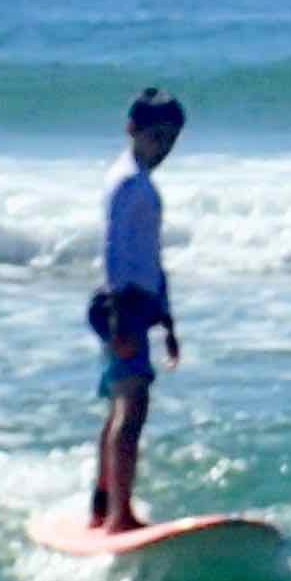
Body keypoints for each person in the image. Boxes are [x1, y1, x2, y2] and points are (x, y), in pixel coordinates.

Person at [87, 88, 187, 532]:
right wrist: (118, 319)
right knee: (132, 408)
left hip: (135, 305)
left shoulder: (136, 179)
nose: (163, 148)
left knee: (119, 406)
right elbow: (114, 252)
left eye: (170, 139)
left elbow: (147, 254)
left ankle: (103, 503)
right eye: (156, 137)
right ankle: (118, 516)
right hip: (121, 306)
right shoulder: (129, 183)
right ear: (132, 130)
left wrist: (164, 315)